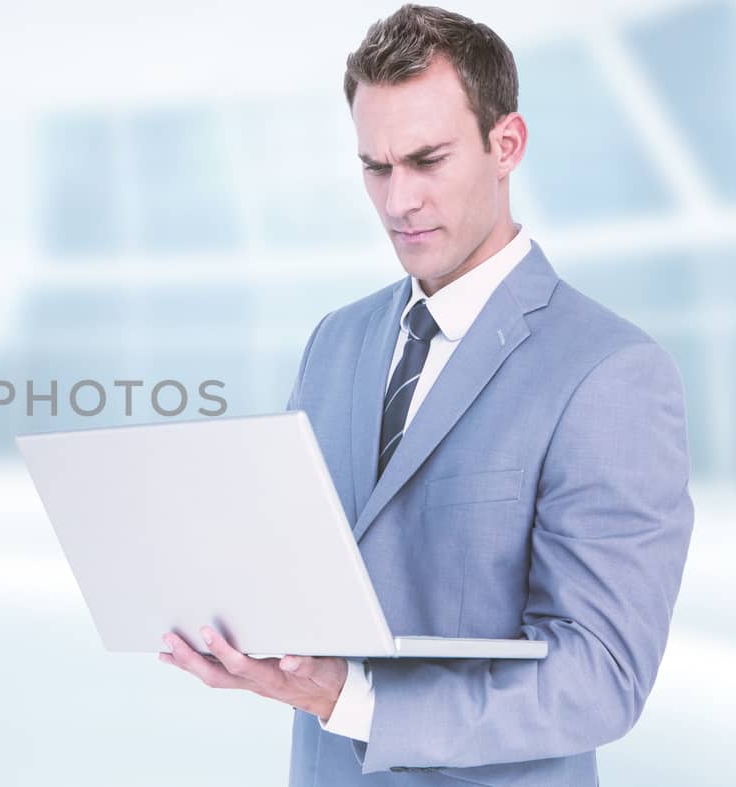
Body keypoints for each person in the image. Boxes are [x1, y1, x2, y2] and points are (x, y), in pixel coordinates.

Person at [157, 4, 693, 785]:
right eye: (376, 167)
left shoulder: (609, 373)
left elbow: (600, 676)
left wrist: (359, 700)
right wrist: (236, 620)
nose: (397, 201)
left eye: (426, 160)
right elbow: (306, 573)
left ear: (506, 145)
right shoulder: (335, 343)